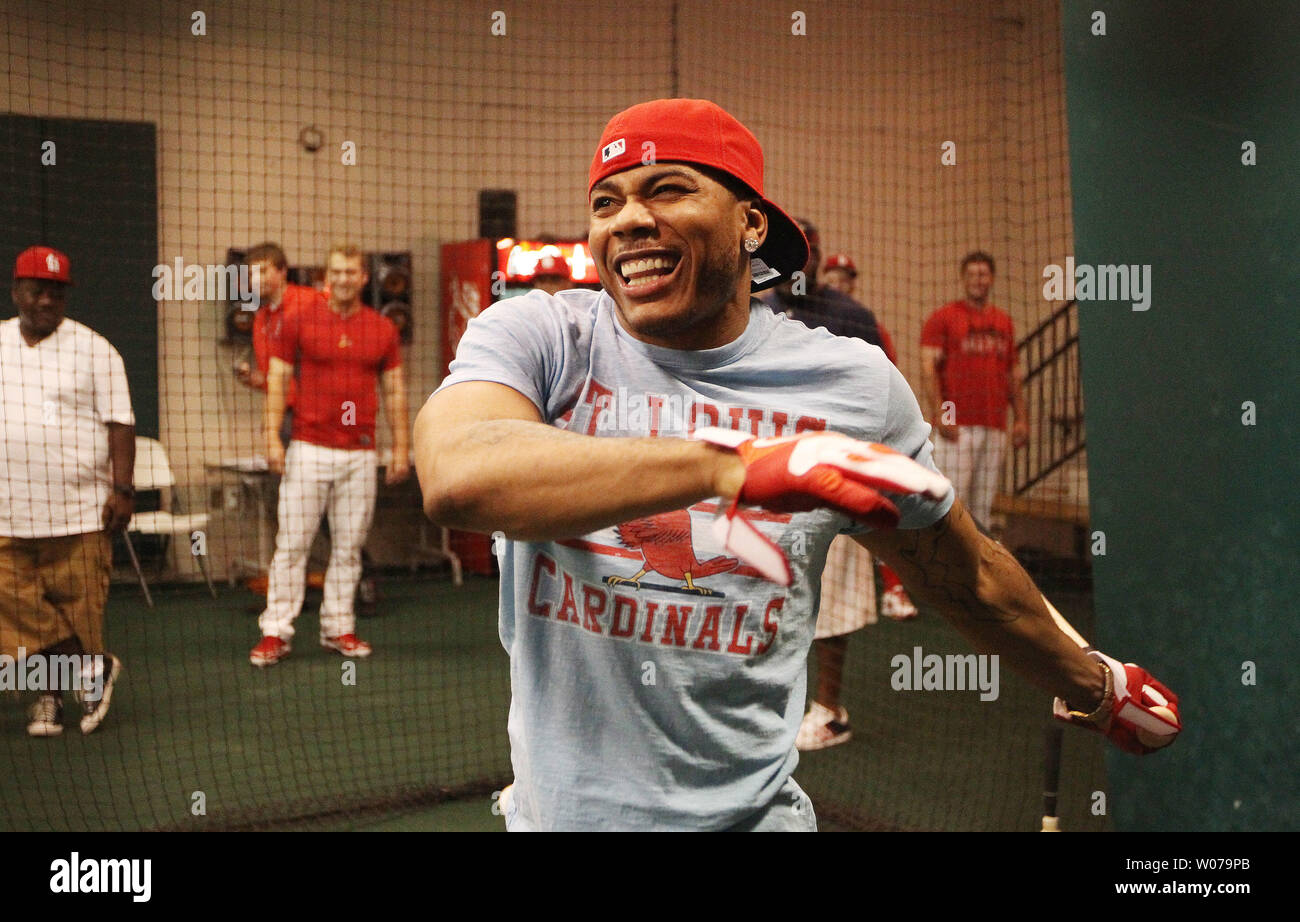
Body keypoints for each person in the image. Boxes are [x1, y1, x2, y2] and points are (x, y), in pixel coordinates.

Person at [413, 98, 1181, 831]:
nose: (629, 221)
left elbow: (965, 572)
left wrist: (1095, 685)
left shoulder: (852, 384)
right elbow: (458, 470)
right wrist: (728, 465)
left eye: (667, 189)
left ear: (750, 223)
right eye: (606, 202)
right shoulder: (543, 337)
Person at [762, 220, 917, 751]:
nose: (795, 264)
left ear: (818, 259)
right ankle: (770, 703)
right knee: (758, 595)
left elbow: (885, 393)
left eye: (805, 254)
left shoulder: (851, 317)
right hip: (764, 477)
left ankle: (830, 709)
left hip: (835, 475)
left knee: (832, 602)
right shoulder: (751, 306)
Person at [249, 245, 408, 666]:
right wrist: (270, 437)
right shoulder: (298, 321)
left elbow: (393, 391)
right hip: (307, 450)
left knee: (349, 547)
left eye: (350, 272)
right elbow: (278, 380)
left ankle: (338, 628)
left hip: (360, 454)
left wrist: (402, 447)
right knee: (292, 545)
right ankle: (276, 631)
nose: (342, 279)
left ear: (363, 278)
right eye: (335, 271)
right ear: (326, 277)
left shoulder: (382, 329)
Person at [1, 246, 132, 736]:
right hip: (6, 511)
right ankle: (91, 668)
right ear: (17, 291)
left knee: (79, 609)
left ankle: (49, 697)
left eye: (56, 291)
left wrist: (123, 489)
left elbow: (121, 425)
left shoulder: (95, 350)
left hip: (78, 510)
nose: (46, 300)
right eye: (37, 289)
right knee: (12, 607)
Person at [920, 252, 1028, 531]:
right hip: (958, 428)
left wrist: (1021, 418)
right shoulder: (944, 318)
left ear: (991, 278)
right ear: (963, 279)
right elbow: (929, 369)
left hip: (994, 426)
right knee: (950, 503)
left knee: (983, 509)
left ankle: (977, 569)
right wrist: (943, 415)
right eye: (972, 275)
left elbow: (1013, 373)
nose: (977, 280)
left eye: (983, 274)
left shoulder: (1004, 322)